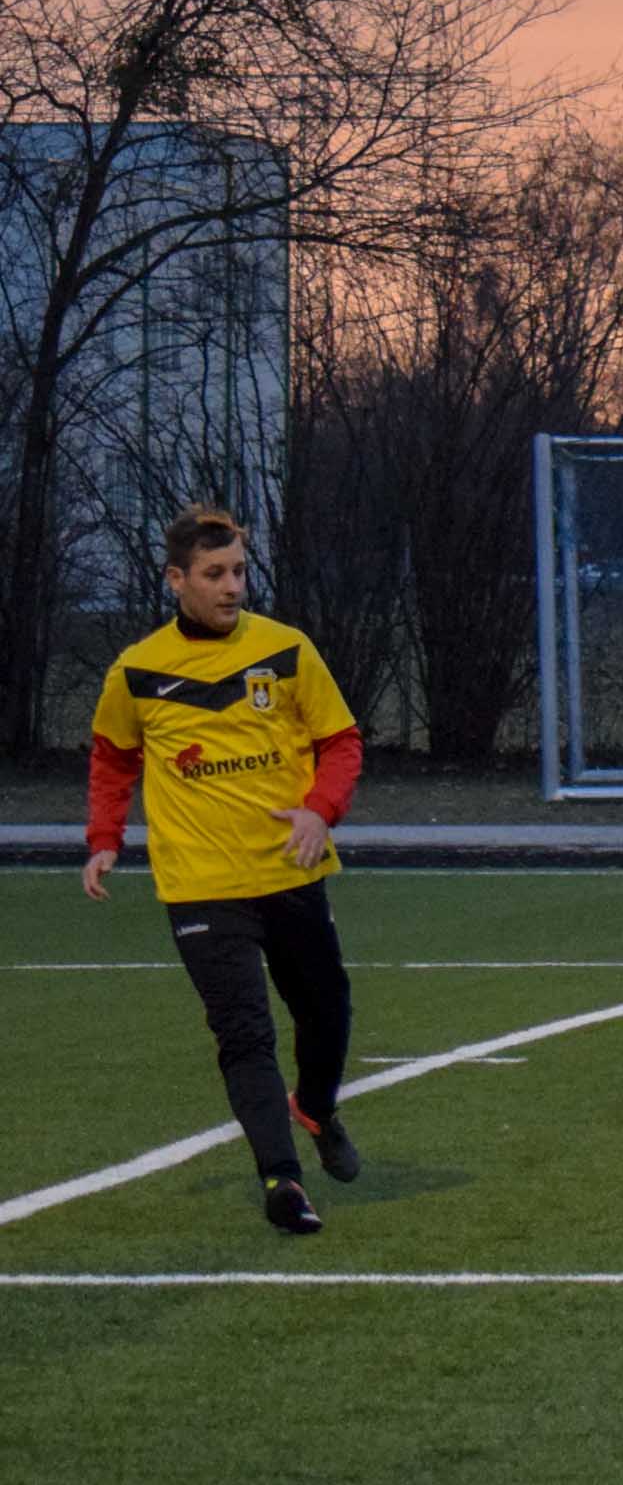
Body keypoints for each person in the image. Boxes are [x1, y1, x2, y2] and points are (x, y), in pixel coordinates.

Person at [80, 504, 366, 1234]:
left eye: (238, 570)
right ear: (177, 580)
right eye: (214, 574)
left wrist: (319, 811)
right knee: (243, 1033)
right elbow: (113, 757)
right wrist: (104, 836)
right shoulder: (137, 670)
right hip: (201, 885)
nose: (232, 586)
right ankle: (283, 1180)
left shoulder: (287, 650)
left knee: (326, 1010)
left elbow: (341, 741)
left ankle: (316, 1107)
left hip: (290, 870)